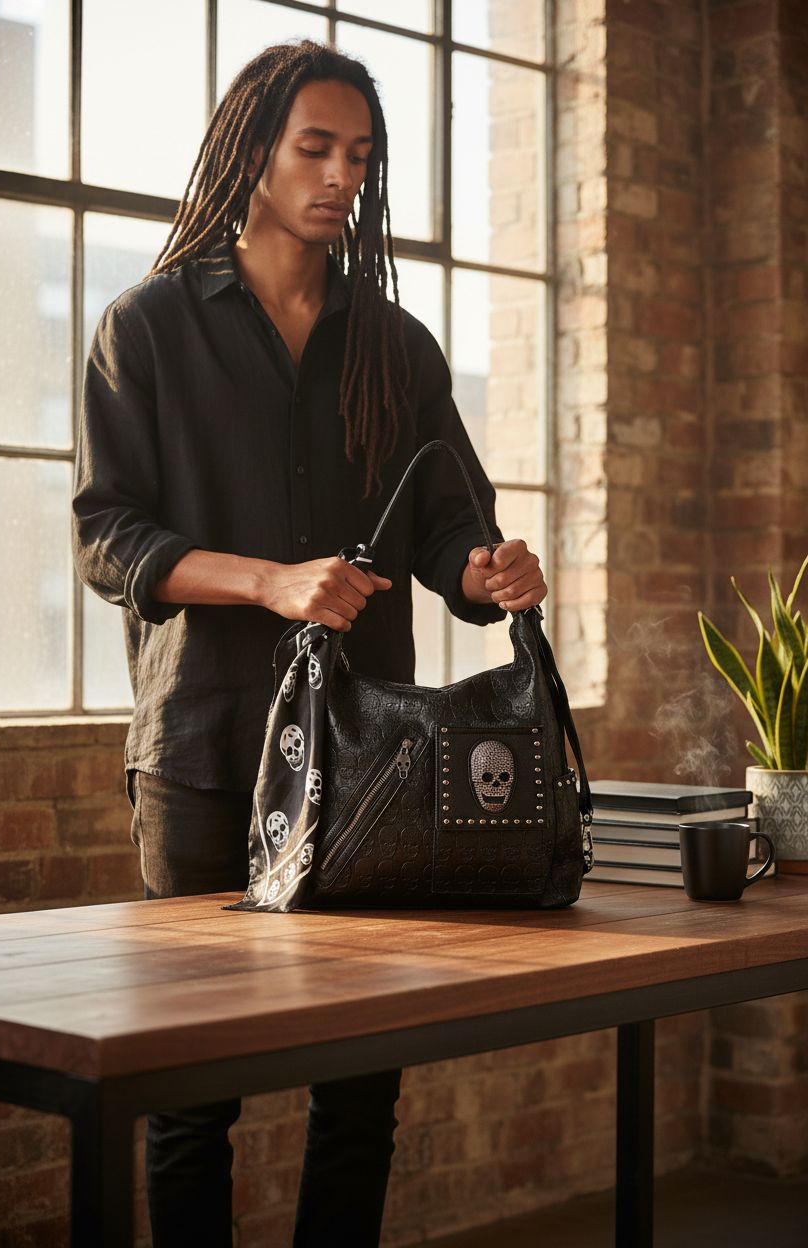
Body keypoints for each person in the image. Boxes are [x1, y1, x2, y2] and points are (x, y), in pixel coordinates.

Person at [72, 38, 547, 1248]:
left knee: (361, 1089)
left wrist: (486, 573)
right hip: (200, 747)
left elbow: (447, 530)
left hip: (369, 759)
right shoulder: (146, 328)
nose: (342, 176)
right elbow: (106, 537)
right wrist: (270, 582)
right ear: (253, 154)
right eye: (316, 148)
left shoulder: (398, 346)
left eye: (361, 155)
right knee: (190, 1094)